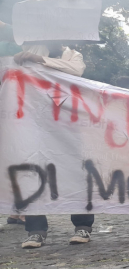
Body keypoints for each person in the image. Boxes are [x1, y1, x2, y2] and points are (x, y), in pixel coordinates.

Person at [16, 43, 90, 248]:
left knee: (75, 173)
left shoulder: (74, 55)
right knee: (32, 172)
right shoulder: (31, 50)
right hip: (36, 122)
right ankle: (36, 230)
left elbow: (77, 70)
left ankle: (83, 226)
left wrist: (40, 61)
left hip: (68, 122)